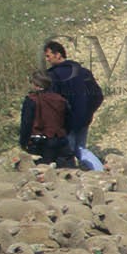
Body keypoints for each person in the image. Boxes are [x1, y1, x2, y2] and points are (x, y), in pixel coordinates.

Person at [43, 40, 104, 171]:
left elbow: (52, 102)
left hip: (67, 123)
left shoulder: (53, 76)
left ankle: (71, 182)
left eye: (48, 56)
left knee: (67, 153)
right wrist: (88, 112)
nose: (46, 59)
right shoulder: (83, 72)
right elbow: (97, 95)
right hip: (84, 119)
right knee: (81, 149)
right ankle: (101, 173)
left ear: (58, 54)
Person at [18, 70, 74, 167]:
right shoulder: (61, 99)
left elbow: (26, 123)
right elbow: (69, 120)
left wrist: (23, 142)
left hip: (40, 143)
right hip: (61, 140)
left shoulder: (31, 100)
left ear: (36, 84)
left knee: (41, 173)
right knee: (67, 172)